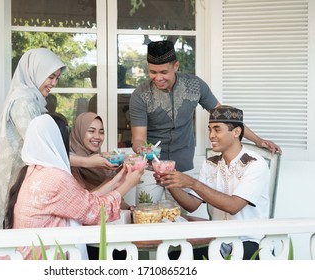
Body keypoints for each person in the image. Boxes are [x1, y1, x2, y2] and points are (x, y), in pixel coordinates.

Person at [4, 114, 143, 260]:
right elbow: (95, 211)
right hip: (44, 262)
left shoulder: (32, 171)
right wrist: (128, 184)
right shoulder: (56, 177)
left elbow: (82, 201)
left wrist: (118, 179)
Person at [129, 40, 282, 172]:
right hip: (149, 167)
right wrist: (144, 150)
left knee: (181, 207)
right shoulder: (140, 95)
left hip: (183, 163)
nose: (158, 78)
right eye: (152, 72)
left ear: (176, 66)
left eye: (163, 72)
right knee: (148, 206)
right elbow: (139, 139)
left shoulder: (195, 85)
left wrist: (258, 140)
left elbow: (225, 117)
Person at [157, 106, 270, 260]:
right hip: (218, 241)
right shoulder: (211, 163)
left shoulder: (255, 164)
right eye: (210, 129)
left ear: (236, 132)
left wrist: (192, 183)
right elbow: (192, 205)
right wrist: (169, 182)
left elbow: (233, 206)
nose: (211, 135)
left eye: (217, 130)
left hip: (250, 242)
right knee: (175, 257)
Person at [0, 48, 66, 230]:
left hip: (25, 186)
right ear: (35, 72)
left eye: (57, 78)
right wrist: (87, 161)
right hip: (16, 186)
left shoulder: (32, 100)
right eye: (50, 76)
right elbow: (43, 149)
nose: (53, 83)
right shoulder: (23, 103)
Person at [69, 112, 118, 192]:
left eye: (101, 132)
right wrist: (114, 178)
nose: (97, 137)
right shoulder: (70, 166)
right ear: (79, 132)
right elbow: (85, 201)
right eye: (91, 131)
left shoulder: (100, 160)